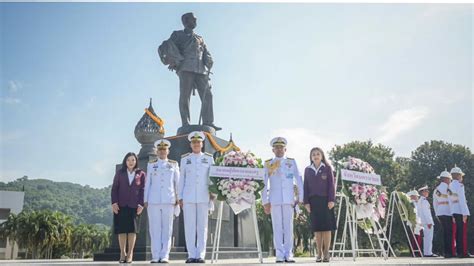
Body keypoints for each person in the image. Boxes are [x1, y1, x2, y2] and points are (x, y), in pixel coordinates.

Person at [262, 137, 303, 263]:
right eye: (277, 147)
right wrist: (265, 201)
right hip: (274, 199)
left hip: (289, 199)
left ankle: (289, 253)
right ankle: (279, 254)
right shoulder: (268, 163)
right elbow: (264, 182)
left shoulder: (291, 162)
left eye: (281, 147)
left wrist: (300, 197)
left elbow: (298, 179)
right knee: (277, 227)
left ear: (285, 149)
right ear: (273, 149)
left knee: (288, 227)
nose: (279, 149)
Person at [178, 131, 215, 263]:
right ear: (190, 144)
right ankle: (191, 254)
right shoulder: (185, 159)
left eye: (198, 142)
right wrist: (180, 197)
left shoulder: (209, 158)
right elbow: (181, 179)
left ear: (202, 143)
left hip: (204, 196)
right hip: (188, 197)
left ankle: (200, 255)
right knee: (189, 226)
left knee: (202, 227)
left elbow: (212, 177)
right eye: (194, 142)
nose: (196, 144)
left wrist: (213, 193)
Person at [145, 139, 180, 263]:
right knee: (154, 229)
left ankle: (165, 255)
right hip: (153, 200)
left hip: (168, 200)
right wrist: (145, 199)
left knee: (167, 229)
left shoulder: (173, 164)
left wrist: (178, 198)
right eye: (160, 149)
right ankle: (155, 255)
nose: (162, 151)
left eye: (164, 149)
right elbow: (147, 183)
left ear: (168, 151)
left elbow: (177, 183)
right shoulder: (151, 164)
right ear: (157, 151)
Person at [111, 152, 146, 263]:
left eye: (133, 160)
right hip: (121, 205)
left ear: (136, 161)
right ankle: (122, 253)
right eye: (128, 160)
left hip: (134, 206)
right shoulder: (120, 173)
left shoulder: (141, 174)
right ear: (125, 161)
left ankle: (130, 253)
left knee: (132, 231)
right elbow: (114, 189)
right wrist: (114, 202)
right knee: (122, 231)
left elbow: (143, 190)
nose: (131, 162)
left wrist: (141, 204)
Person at [303, 147, 336, 263]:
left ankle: (326, 252)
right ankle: (319, 253)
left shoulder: (327, 168)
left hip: (326, 201)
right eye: (313, 155)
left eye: (318, 154)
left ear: (322, 156)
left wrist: (331, 200)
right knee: (317, 229)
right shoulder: (307, 170)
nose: (316, 156)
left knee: (327, 228)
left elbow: (331, 185)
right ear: (311, 157)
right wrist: (306, 202)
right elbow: (305, 187)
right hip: (313, 202)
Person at [449, 165, 472, 258]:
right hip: (460, 211)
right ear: (458, 175)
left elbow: (450, 200)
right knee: (462, 233)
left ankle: (459, 252)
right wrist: (465, 213)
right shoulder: (460, 185)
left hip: (454, 211)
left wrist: (452, 214)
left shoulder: (450, 186)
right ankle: (463, 252)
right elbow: (462, 200)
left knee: (458, 232)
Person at [433, 170, 454, 258]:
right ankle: (449, 252)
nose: (450, 181)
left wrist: (437, 214)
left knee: (445, 232)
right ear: (446, 179)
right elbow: (453, 200)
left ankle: (445, 252)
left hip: (440, 212)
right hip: (448, 212)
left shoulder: (436, 189)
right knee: (449, 233)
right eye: (449, 179)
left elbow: (435, 203)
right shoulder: (449, 188)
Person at [417, 185, 437, 257]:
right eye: (426, 191)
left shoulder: (420, 200)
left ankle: (427, 252)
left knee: (426, 238)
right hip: (426, 222)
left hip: (423, 222)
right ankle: (428, 253)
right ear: (422, 192)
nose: (428, 192)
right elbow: (426, 213)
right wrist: (429, 222)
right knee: (428, 238)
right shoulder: (424, 201)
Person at [406, 190, 423, 256]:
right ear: (412, 197)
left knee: (415, 238)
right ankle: (416, 252)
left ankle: (416, 252)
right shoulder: (412, 203)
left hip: (415, 223)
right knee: (415, 238)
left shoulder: (414, 203)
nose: (418, 198)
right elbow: (415, 214)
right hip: (415, 223)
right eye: (416, 196)